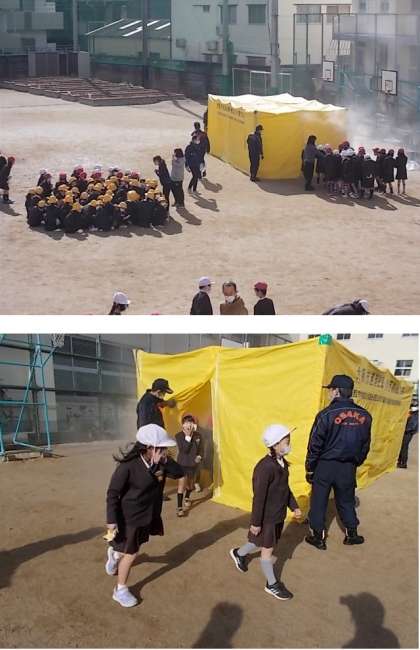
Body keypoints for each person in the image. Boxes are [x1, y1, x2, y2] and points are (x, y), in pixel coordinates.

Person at [105, 423, 184, 607]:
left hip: (147, 514)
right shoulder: (128, 466)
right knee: (132, 553)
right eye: (161, 448)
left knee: (129, 546)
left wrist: (165, 461)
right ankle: (120, 589)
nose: (165, 451)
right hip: (128, 516)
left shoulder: (161, 462)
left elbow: (180, 473)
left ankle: (115, 554)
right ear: (149, 447)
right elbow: (112, 493)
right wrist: (111, 520)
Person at [229, 424, 301, 600]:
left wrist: (294, 506)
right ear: (275, 445)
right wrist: (255, 523)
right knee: (267, 550)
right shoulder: (265, 467)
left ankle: (239, 553)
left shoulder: (282, 463)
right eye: (286, 441)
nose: (289, 444)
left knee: (259, 541)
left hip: (277, 516)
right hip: (267, 518)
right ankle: (272, 584)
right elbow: (259, 498)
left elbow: (285, 490)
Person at [305, 375, 372, 550]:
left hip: (325, 465)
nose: (329, 392)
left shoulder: (325, 414)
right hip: (348, 467)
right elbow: (365, 445)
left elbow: (314, 445)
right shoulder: (365, 415)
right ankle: (352, 535)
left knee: (319, 501)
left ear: (336, 391)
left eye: (330, 389)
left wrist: (310, 468)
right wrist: (355, 462)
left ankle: (318, 537)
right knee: (347, 500)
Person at [175, 415, 203, 517]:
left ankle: (187, 497)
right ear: (182, 425)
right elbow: (184, 450)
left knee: (190, 484)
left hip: (193, 464)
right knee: (181, 484)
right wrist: (188, 436)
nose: (189, 425)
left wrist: (199, 456)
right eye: (186, 423)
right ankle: (179, 508)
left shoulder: (198, 435)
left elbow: (201, 449)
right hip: (182, 464)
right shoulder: (178, 436)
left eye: (191, 422)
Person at [397, 398, 418, 469]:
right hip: (406, 431)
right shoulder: (411, 413)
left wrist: (405, 430)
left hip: (408, 432)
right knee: (401, 446)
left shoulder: (415, 415)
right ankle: (399, 461)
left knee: (404, 447)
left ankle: (403, 463)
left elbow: (412, 425)